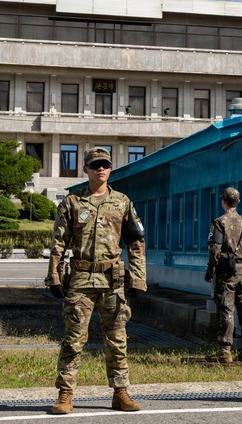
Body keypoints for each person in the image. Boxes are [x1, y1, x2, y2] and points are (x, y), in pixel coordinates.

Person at [45, 147, 147, 415]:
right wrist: (54, 275)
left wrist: (137, 278)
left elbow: (136, 242)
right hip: (80, 279)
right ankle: (65, 394)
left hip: (112, 279)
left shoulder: (123, 202)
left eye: (105, 165)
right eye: (95, 165)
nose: (100, 169)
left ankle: (120, 392)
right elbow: (58, 243)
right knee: (73, 338)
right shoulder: (71, 203)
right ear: (86, 170)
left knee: (117, 338)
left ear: (110, 169)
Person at [205, 187, 242, 363]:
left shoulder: (219, 222)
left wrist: (210, 270)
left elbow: (215, 249)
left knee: (226, 309)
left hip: (226, 272)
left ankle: (225, 350)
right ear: (238, 202)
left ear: (223, 201)